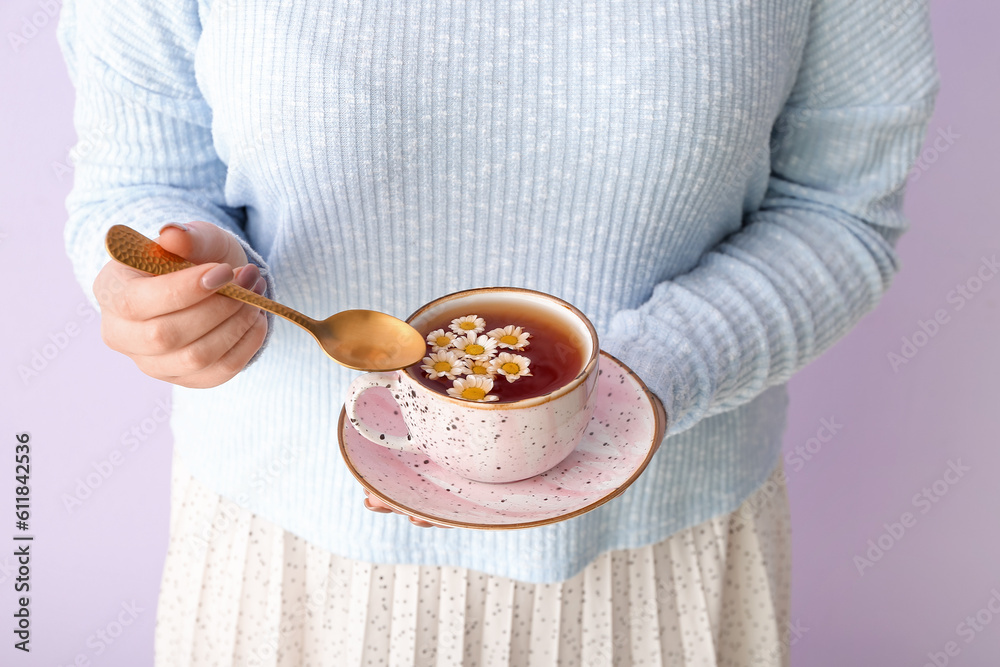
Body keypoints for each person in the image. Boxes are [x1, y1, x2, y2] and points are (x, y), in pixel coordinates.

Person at [58, 0, 938, 664]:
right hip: (291, 568)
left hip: (660, 567)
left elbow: (838, 209)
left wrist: (640, 385)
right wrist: (177, 274)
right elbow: (138, 178)